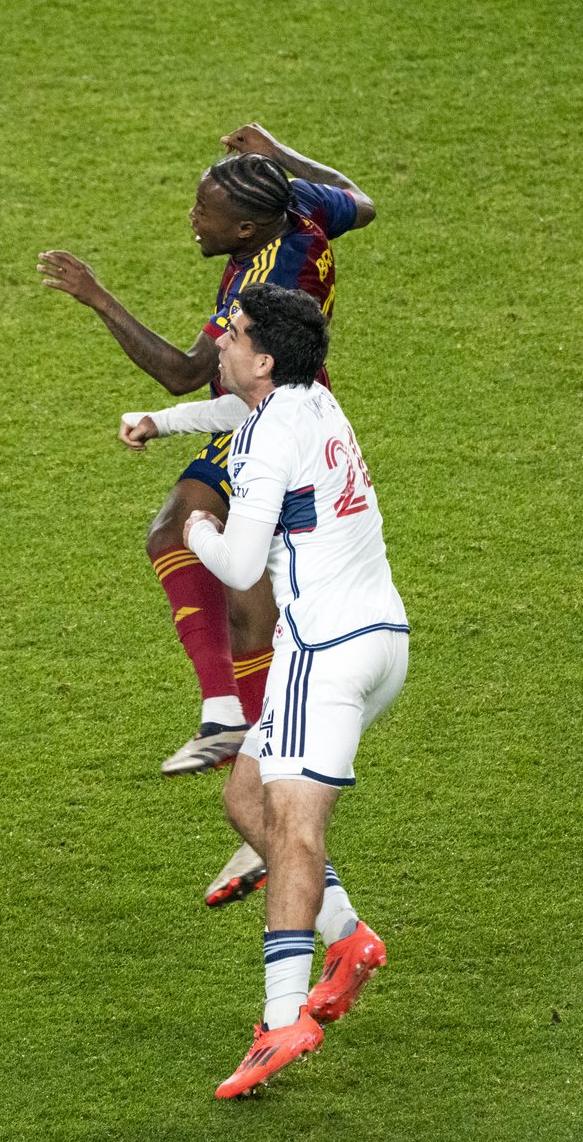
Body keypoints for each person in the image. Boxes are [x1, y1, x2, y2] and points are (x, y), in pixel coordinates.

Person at [39, 126, 374, 908]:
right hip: (280, 407)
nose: (195, 219)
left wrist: (96, 297)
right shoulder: (303, 207)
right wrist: (279, 151)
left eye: (208, 212)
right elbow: (364, 199)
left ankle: (230, 728)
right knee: (252, 615)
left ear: (249, 232)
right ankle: (253, 781)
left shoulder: (264, 275)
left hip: (266, 418)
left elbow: (188, 369)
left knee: (181, 538)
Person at [139, 281, 408, 1098]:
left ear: (262, 359)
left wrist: (193, 526)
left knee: (291, 829)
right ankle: (348, 937)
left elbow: (239, 567)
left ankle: (282, 1017)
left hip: (321, 654)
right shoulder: (311, 403)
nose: (218, 337)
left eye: (234, 331)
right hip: (381, 639)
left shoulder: (266, 440)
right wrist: (164, 422)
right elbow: (239, 418)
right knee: (247, 802)